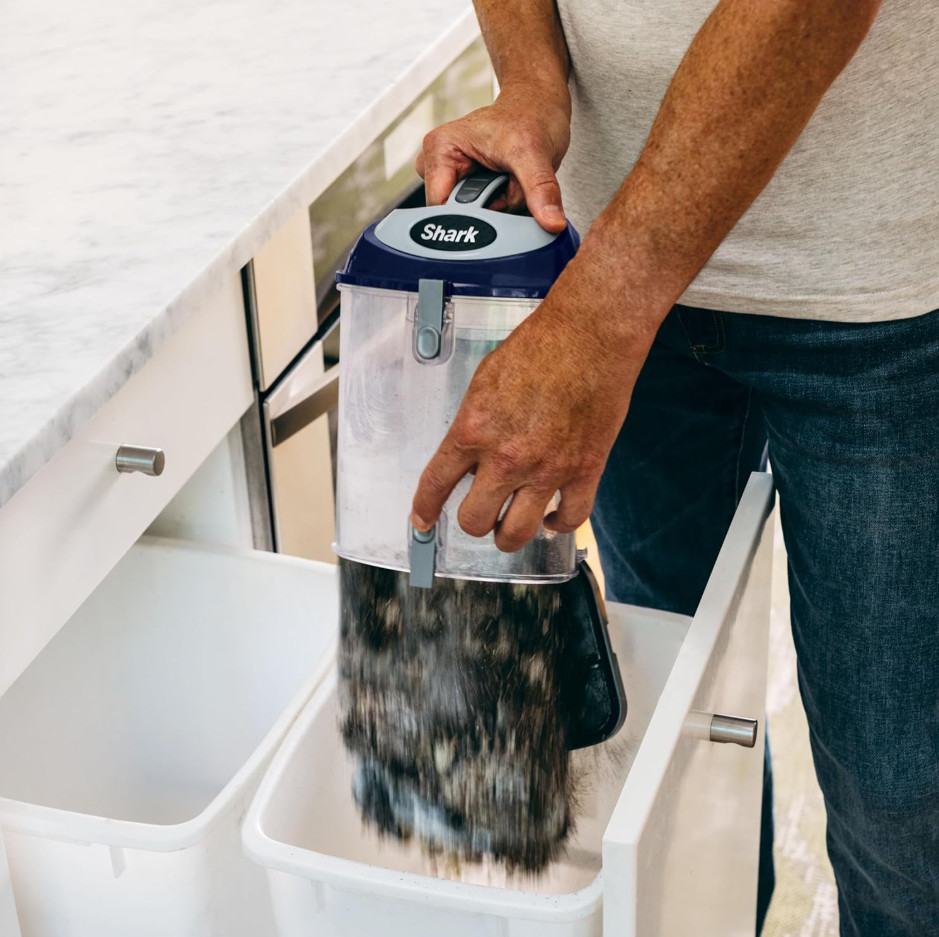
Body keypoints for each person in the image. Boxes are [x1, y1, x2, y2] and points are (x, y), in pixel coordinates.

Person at [408, 1, 939, 935]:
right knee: (675, 727)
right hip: (610, 258)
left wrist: (598, 315)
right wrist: (531, 80)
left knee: (898, 792)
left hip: (876, 283)